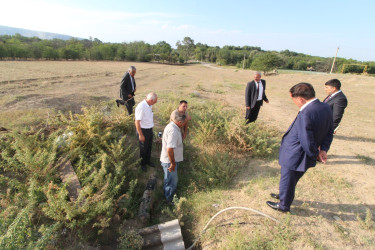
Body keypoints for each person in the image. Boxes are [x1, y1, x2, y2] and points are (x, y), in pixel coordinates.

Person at [267, 82, 334, 212]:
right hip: (304, 154)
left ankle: (283, 205)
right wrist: (323, 149)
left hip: (296, 154)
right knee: (291, 178)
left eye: (294, 100)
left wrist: (315, 154)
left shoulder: (306, 113)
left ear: (300, 98)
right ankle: (284, 194)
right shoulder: (325, 107)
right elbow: (329, 130)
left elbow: (306, 139)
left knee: (288, 176)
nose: (295, 103)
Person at [160, 113, 186, 203]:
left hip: (171, 160)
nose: (184, 125)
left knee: (169, 180)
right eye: (183, 123)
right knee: (171, 182)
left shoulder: (174, 126)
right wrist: (173, 163)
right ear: (179, 122)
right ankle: (169, 201)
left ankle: (167, 197)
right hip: (169, 162)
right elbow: (170, 149)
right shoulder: (173, 130)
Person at [135, 93, 158, 172]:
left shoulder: (149, 105)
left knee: (149, 147)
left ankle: (147, 161)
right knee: (143, 148)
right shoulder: (141, 107)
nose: (156, 102)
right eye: (155, 101)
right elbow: (137, 122)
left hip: (149, 130)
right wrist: (141, 135)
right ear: (151, 100)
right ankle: (142, 164)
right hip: (143, 131)